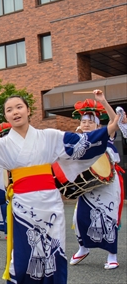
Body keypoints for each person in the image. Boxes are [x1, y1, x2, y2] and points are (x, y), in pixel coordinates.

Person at [0, 95, 121, 284]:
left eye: (19, 107)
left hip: (50, 202)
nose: (15, 112)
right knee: (23, 254)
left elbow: (81, 142)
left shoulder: (50, 136)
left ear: (28, 111)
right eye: (9, 110)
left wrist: (110, 128)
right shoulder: (0, 145)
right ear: (6, 116)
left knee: (54, 251)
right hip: (23, 205)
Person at [69, 91, 125, 270]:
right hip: (88, 185)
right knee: (80, 218)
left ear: (97, 125)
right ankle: (83, 248)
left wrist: (103, 101)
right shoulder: (78, 140)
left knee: (108, 218)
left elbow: (115, 120)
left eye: (90, 122)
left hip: (108, 183)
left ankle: (112, 255)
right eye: (83, 122)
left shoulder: (104, 135)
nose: (86, 124)